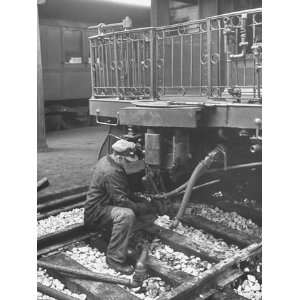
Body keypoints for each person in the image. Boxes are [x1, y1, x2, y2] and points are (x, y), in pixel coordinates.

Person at [84, 139, 161, 274]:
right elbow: (122, 202)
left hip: (106, 205)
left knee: (136, 210)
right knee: (126, 215)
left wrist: (140, 200)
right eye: (128, 161)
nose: (130, 164)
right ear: (119, 157)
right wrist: (144, 207)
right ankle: (114, 259)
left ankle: (121, 237)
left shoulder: (109, 160)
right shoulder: (111, 171)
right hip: (96, 213)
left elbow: (122, 192)